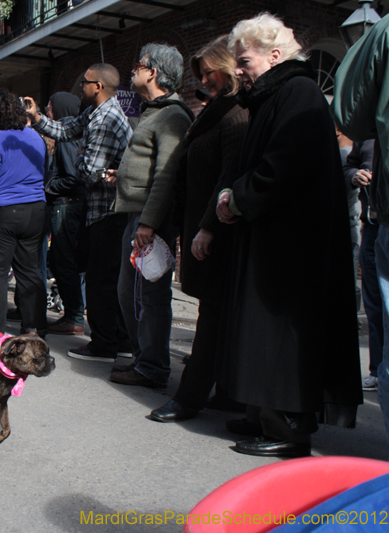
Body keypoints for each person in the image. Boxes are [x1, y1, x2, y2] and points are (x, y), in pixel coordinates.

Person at [216, 13, 362, 457]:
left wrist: (236, 199)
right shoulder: (277, 94)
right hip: (273, 237)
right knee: (262, 330)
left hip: (293, 244)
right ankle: (264, 412)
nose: (238, 70)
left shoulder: (297, 92)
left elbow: (284, 166)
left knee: (280, 333)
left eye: (245, 61)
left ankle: (288, 425)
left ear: (274, 56)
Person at [146, 36, 248, 420]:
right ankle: (225, 392)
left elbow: (228, 174)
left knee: (213, 317)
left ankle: (190, 396)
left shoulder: (235, 114)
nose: (206, 80)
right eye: (203, 74)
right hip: (203, 225)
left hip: (219, 230)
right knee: (215, 314)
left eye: (210, 72)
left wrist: (207, 227)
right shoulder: (218, 110)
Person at [26, 63, 134, 362]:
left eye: (84, 83)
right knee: (105, 279)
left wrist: (88, 161)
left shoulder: (105, 120)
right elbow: (66, 129)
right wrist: (36, 118)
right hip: (99, 210)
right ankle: (118, 340)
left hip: (108, 213)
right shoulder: (94, 113)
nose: (79, 88)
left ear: (97, 86)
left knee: (102, 281)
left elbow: (86, 172)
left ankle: (104, 344)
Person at [108, 43, 194, 388]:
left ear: (153, 71)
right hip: (137, 216)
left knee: (148, 298)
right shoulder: (155, 111)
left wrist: (148, 223)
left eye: (137, 65)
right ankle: (147, 360)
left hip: (149, 220)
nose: (133, 72)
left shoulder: (173, 114)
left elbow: (166, 175)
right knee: (130, 294)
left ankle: (153, 367)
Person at [334, 8, 389, 462]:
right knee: (376, 308)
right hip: (378, 217)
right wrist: (357, 172)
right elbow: (350, 149)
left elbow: (349, 111)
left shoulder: (388, 31)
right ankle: (374, 365)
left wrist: (368, 40)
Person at [0, 89, 47, 335]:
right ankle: (34, 329)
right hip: (35, 210)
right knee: (30, 273)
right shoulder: (36, 138)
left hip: (1, 212)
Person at [44, 92, 87, 336]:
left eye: (50, 108)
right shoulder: (66, 134)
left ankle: (73, 317)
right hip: (65, 204)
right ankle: (72, 315)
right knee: (62, 261)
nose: (48, 112)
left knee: (64, 261)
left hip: (67, 205)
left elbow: (73, 176)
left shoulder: (67, 135)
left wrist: (47, 187)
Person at [344, 140, 381, 391]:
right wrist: (354, 175)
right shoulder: (366, 132)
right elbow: (349, 166)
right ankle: (378, 370)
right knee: (374, 304)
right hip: (372, 225)